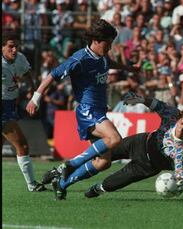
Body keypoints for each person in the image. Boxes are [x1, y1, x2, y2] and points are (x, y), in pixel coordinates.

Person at [26, 19, 136, 200]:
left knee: (103, 162)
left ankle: (61, 184)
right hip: (88, 110)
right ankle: (67, 166)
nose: (109, 47)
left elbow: (110, 63)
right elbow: (52, 75)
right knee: (114, 139)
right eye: (107, 44)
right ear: (95, 40)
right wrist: (35, 99)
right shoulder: (79, 59)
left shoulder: (102, 58)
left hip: (99, 111)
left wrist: (129, 68)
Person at [84, 91, 183, 198]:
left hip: (147, 166)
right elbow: (157, 104)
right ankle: (74, 167)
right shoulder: (173, 115)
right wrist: (140, 99)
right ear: (179, 119)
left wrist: (181, 179)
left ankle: (98, 189)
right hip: (139, 142)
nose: (182, 128)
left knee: (113, 183)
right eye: (182, 123)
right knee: (103, 153)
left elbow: (180, 166)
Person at [2, 31, 46, 192]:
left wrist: (33, 94)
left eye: (16, 47)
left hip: (10, 105)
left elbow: (27, 73)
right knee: (22, 145)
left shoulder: (19, 58)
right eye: (10, 47)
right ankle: (32, 185)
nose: (14, 50)